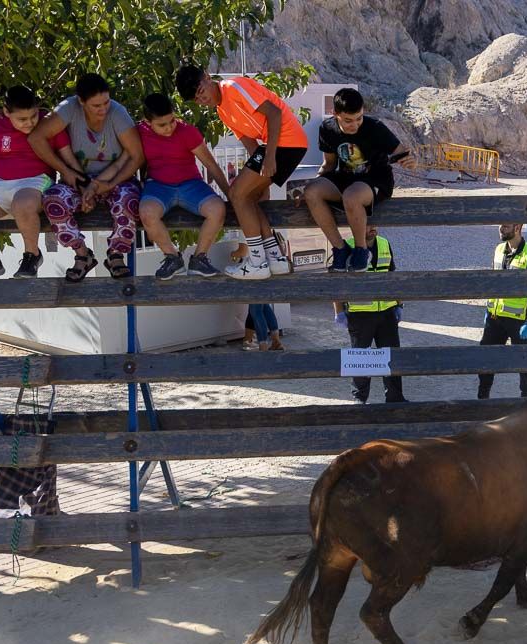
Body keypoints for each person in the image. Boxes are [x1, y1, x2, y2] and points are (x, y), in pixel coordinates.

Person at [176, 64, 309, 280]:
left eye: (200, 91)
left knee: (237, 194)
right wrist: (258, 178)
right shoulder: (222, 111)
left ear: (208, 78)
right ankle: (275, 258)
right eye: (196, 99)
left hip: (287, 142)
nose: (202, 100)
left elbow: (274, 114)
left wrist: (269, 157)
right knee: (247, 197)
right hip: (278, 146)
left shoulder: (233, 86)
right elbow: (251, 147)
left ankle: (257, 261)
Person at [28, 73, 144, 281]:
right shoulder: (68, 108)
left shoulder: (118, 113)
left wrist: (108, 184)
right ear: (81, 102)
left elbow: (137, 156)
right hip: (77, 179)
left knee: (129, 200)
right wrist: (66, 171)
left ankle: (116, 254)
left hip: (116, 179)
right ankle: (82, 255)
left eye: (106, 102)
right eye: (96, 105)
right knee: (53, 200)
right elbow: (36, 137)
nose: (103, 109)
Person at [0, 86, 74, 280]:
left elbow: (67, 156)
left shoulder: (49, 121)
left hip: (36, 180)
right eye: (22, 119)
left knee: (21, 204)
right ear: (6, 112)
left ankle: (32, 256)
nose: (29, 122)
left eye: (33, 116)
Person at [300, 88, 414, 272]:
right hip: (346, 179)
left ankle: (361, 251)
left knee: (351, 196)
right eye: (348, 120)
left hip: (376, 180)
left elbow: (401, 150)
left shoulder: (374, 127)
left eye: (359, 118)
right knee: (311, 192)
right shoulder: (327, 128)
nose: (355, 125)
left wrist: (408, 159)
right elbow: (329, 164)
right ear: (335, 114)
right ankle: (340, 249)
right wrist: (311, 185)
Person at [136, 93, 228, 280]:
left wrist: (230, 195)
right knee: (146, 213)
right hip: (158, 186)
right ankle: (172, 258)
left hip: (191, 184)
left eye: (172, 121)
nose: (169, 128)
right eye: (162, 125)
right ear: (147, 121)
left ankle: (199, 259)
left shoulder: (187, 132)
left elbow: (211, 164)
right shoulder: (138, 132)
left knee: (218, 209)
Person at [332, 224, 406, 404]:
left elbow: (392, 276)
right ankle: (360, 398)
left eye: (374, 224)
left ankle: (395, 398)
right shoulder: (346, 247)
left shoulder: (384, 243)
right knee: (360, 360)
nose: (372, 228)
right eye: (366, 225)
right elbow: (336, 283)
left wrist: (399, 303)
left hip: (387, 313)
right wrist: (339, 311)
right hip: (360, 314)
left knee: (391, 357)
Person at [477, 222, 527, 400]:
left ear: (517, 228)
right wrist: (488, 310)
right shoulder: (498, 249)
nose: (501, 229)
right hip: (494, 318)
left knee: (524, 365)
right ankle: (482, 400)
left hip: (518, 320)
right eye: (500, 225)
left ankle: (526, 402)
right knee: (486, 361)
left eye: (505, 226)